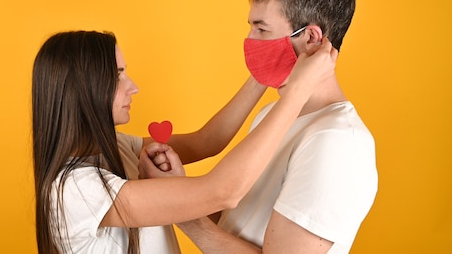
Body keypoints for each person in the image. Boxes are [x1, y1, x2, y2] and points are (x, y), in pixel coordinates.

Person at [32, 30, 337, 253]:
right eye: (117, 77)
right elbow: (222, 193)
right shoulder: (73, 191)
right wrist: (299, 89)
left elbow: (208, 141)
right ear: (83, 91)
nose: (133, 87)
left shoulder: (117, 147)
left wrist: (265, 71)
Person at [165, 0, 378, 254]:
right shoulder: (273, 115)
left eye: (261, 30)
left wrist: (180, 211)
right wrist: (179, 191)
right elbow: (236, 223)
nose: (250, 40)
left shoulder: (337, 141)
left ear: (311, 38)